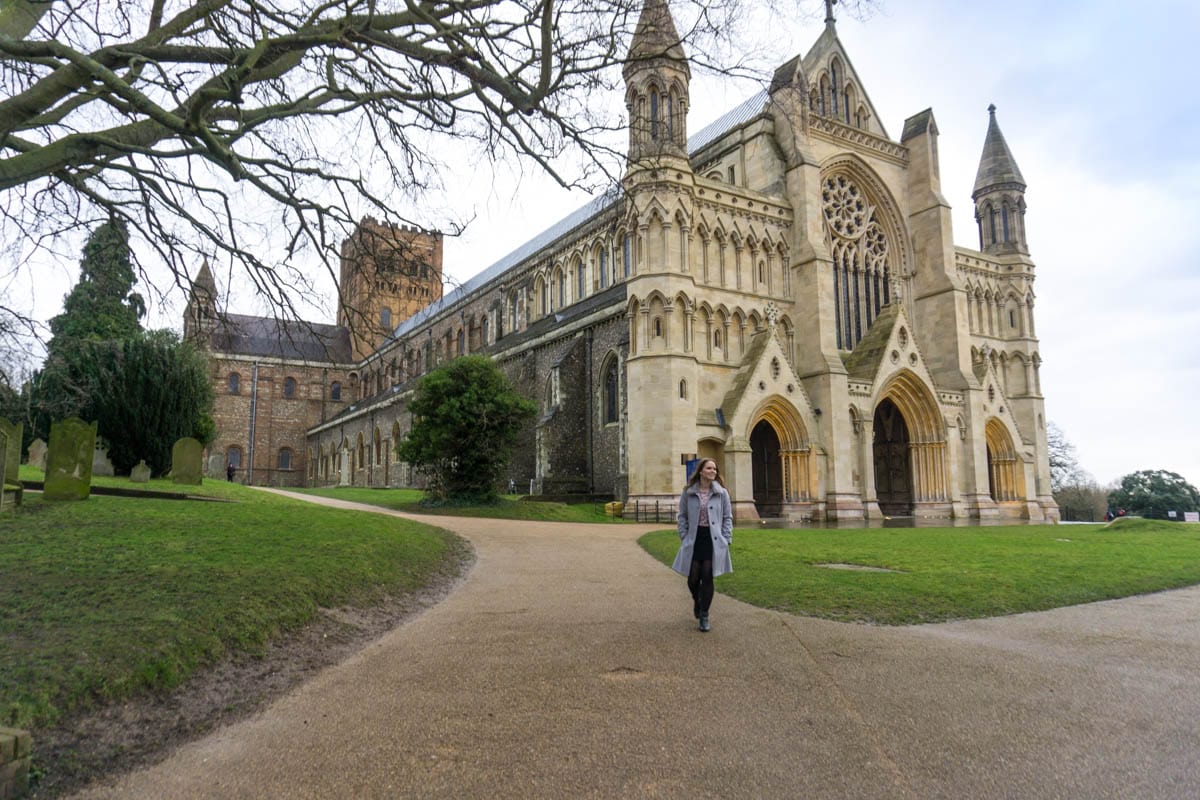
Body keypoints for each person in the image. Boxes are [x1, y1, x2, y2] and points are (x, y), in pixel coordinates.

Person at [673, 458, 733, 632]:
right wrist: (684, 536)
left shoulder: (722, 493)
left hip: (713, 538)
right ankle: (698, 601)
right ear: (701, 471)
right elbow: (682, 516)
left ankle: (704, 615)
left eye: (714, 468)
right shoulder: (689, 492)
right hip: (694, 537)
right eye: (709, 468)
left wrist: (726, 538)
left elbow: (728, 518)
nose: (713, 471)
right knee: (693, 577)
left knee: (707, 575)